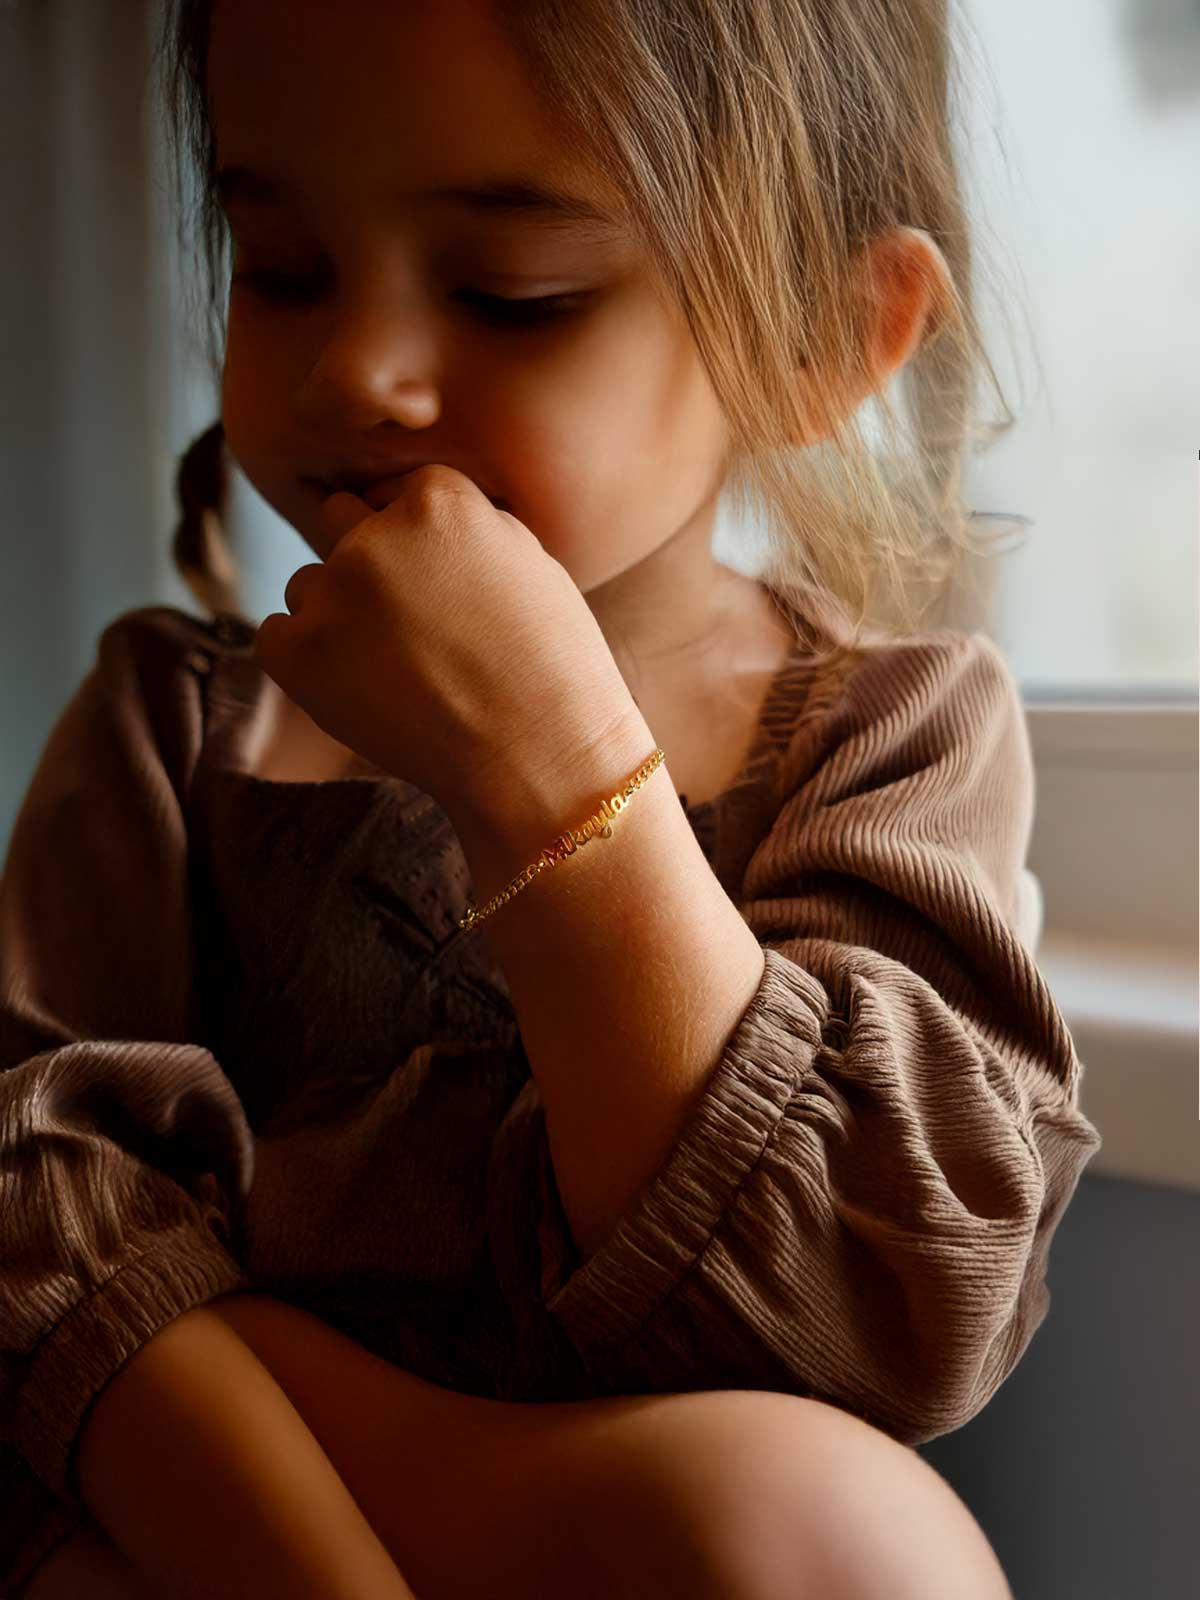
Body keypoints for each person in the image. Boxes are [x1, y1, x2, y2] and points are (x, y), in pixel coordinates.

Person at [0, 1, 1101, 1595]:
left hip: (618, 1533)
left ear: (820, 337)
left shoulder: (891, 736)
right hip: (192, 1522)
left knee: (847, 1542)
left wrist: (551, 777)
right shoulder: (177, 728)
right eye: (284, 265)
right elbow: (37, 1215)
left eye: (517, 296)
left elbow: (882, 1325)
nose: (357, 373)